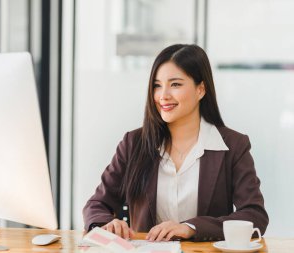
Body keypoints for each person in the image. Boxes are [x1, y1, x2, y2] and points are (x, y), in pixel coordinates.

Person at [82, 44, 269, 242]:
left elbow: (254, 215)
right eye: (157, 85)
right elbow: (96, 205)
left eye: (175, 84)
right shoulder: (134, 143)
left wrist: (191, 228)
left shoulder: (233, 145)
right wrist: (106, 224)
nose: (163, 95)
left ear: (201, 89)